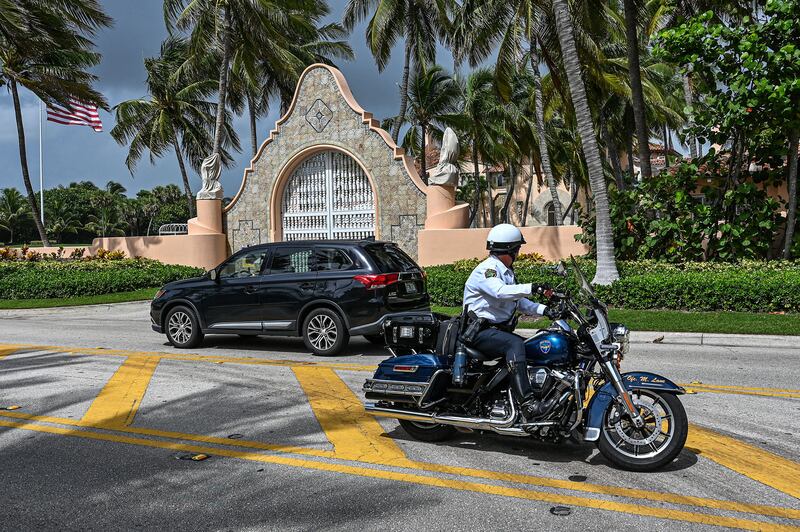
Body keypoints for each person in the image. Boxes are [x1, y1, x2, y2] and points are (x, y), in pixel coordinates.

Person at [462, 223, 559, 420]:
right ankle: (528, 404)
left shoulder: (506, 272)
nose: (518, 253)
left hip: (496, 332)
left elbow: (518, 302)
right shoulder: (487, 270)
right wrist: (534, 287)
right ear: (509, 250)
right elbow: (500, 291)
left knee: (533, 345)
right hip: (479, 332)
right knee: (514, 344)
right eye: (517, 249)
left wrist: (547, 310)